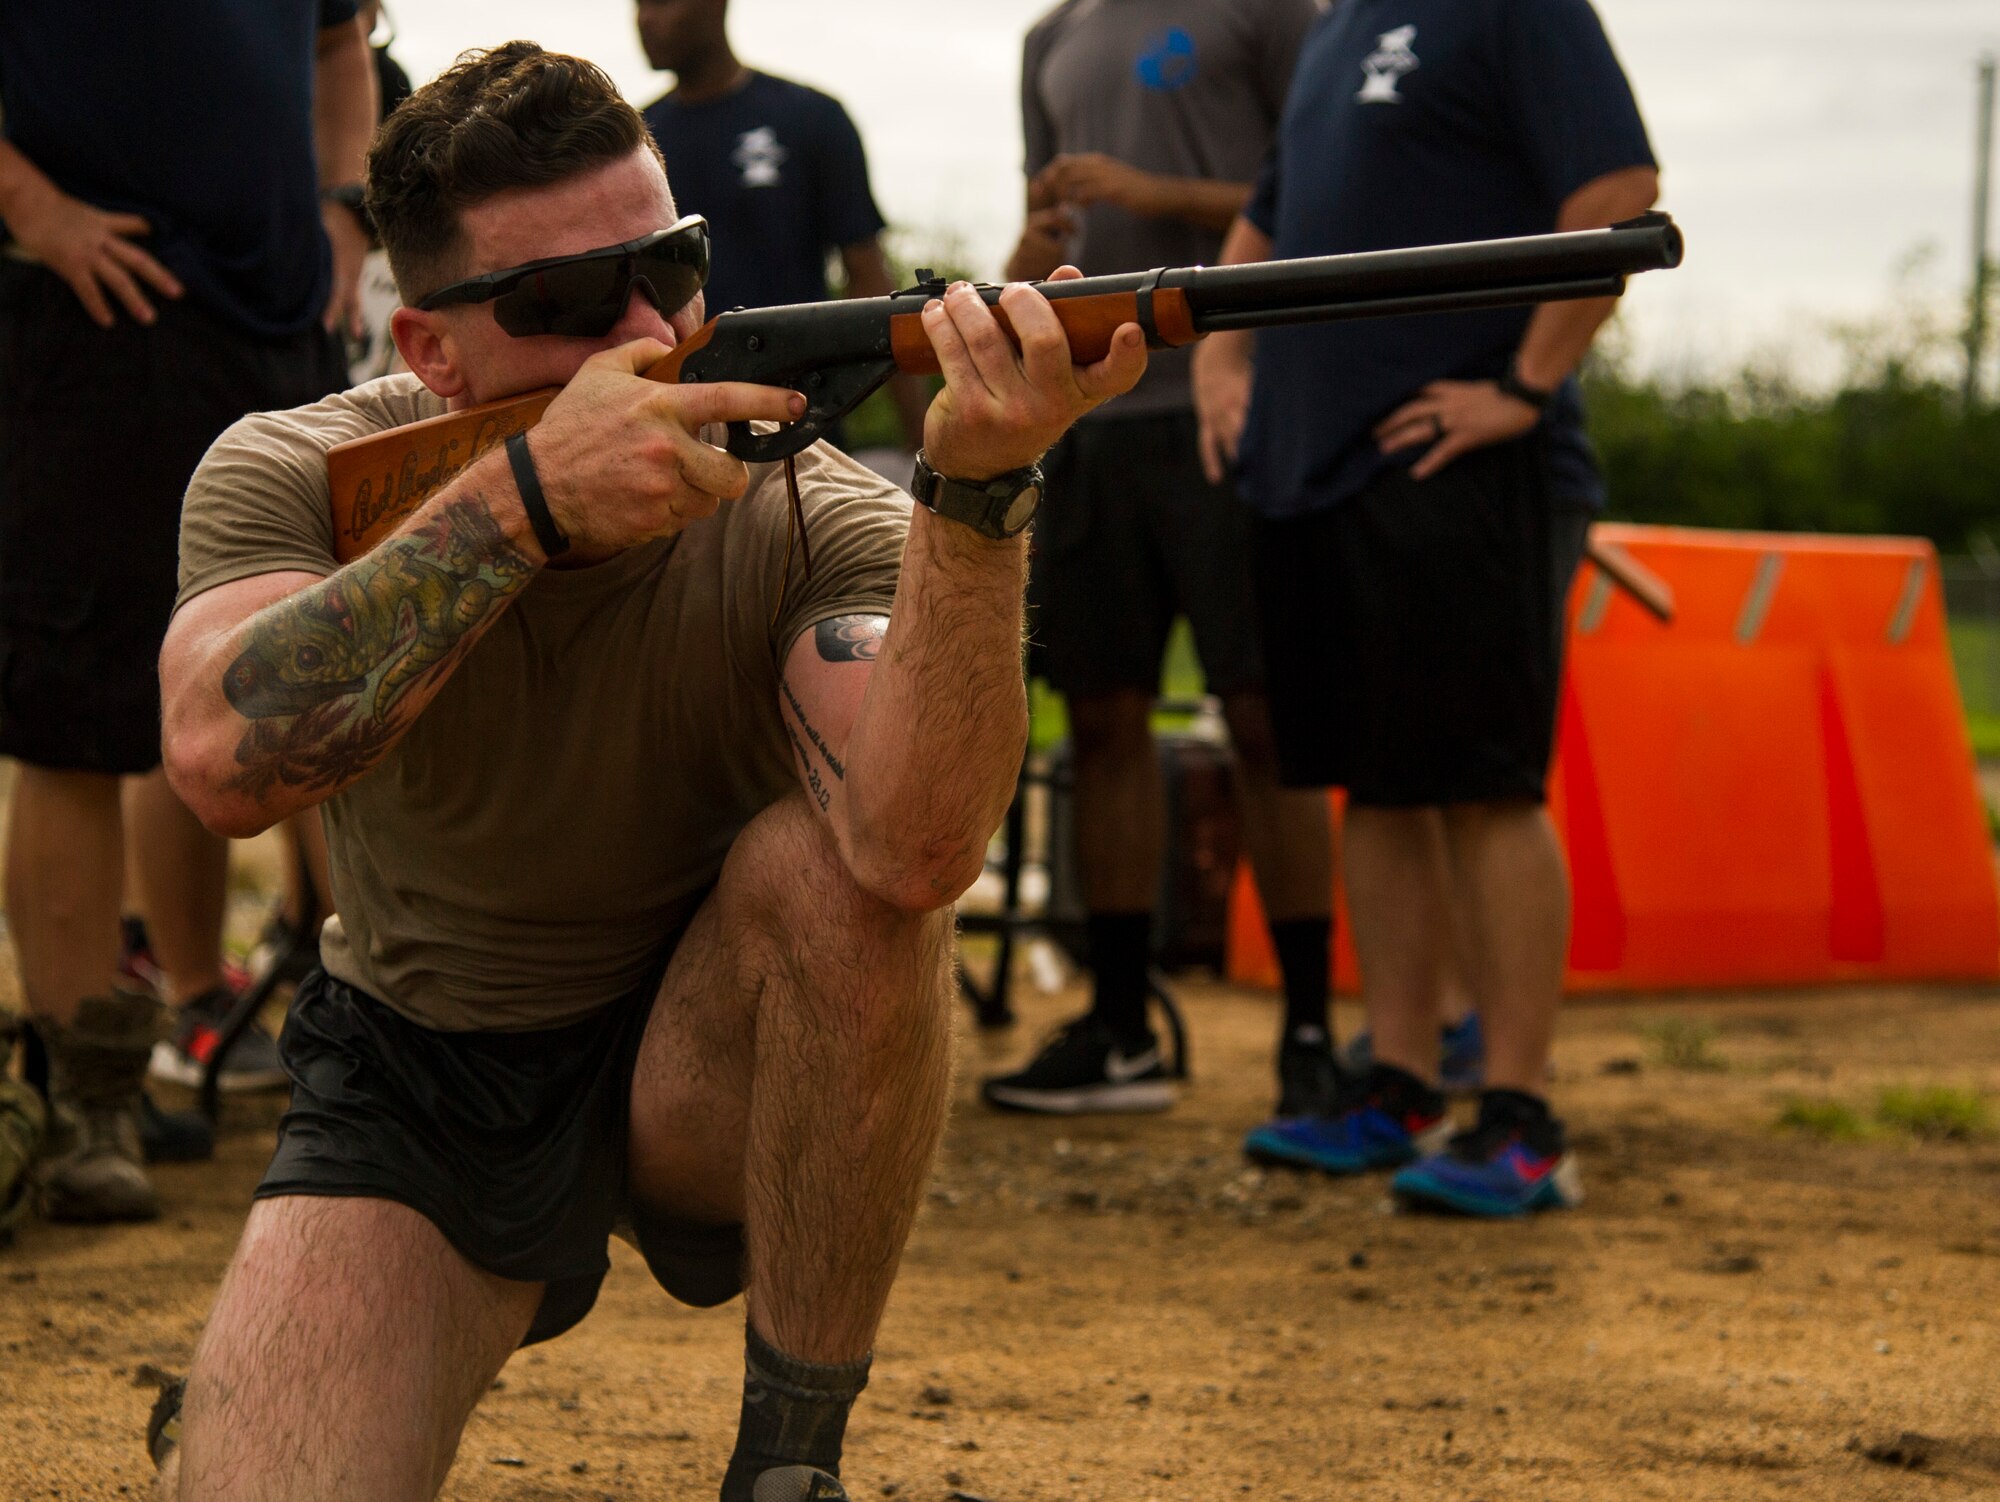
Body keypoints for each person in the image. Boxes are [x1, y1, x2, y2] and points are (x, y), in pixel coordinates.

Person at [147, 42, 1143, 1502]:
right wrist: (527, 503)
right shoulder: (293, 468)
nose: (646, 329)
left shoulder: (808, 501)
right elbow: (220, 761)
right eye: (561, 305)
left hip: (703, 1046)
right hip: (424, 1069)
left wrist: (979, 494)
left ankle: (791, 1465)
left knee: (823, 875)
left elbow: (916, 854)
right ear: (431, 353)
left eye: (667, 268)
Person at [1194, 0, 1659, 1216]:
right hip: (1312, 466)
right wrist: (1217, 353)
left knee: (1485, 783)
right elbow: (1266, 215)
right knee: (1376, 780)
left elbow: (1615, 191)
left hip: (1456, 465)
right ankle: (1396, 1084)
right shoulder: (1339, 29)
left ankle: (1517, 1114)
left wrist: (1521, 382)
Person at [0, 1, 375, 1221]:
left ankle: (353, 1046)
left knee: (313, 678)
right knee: (75, 710)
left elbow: (337, 45)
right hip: (87, 315)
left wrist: (339, 211)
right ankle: (88, 1094)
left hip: (273, 328)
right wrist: (35, 210)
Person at [978, 0, 1339, 1124]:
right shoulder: (1049, 38)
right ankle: (1120, 1023)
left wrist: (1156, 196)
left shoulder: (1270, 12)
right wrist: (1031, 255)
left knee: (1264, 710)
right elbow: (1044, 231)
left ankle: (1312, 1032)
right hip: (1096, 419)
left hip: (1234, 404)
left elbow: (1326, 197)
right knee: (1099, 715)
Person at [637, 0, 929, 452]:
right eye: (638, 6)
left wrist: (922, 440)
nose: (644, 21)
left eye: (661, 4)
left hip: (805, 422)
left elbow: (867, 275)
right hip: (679, 430)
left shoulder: (810, 118)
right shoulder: (637, 144)